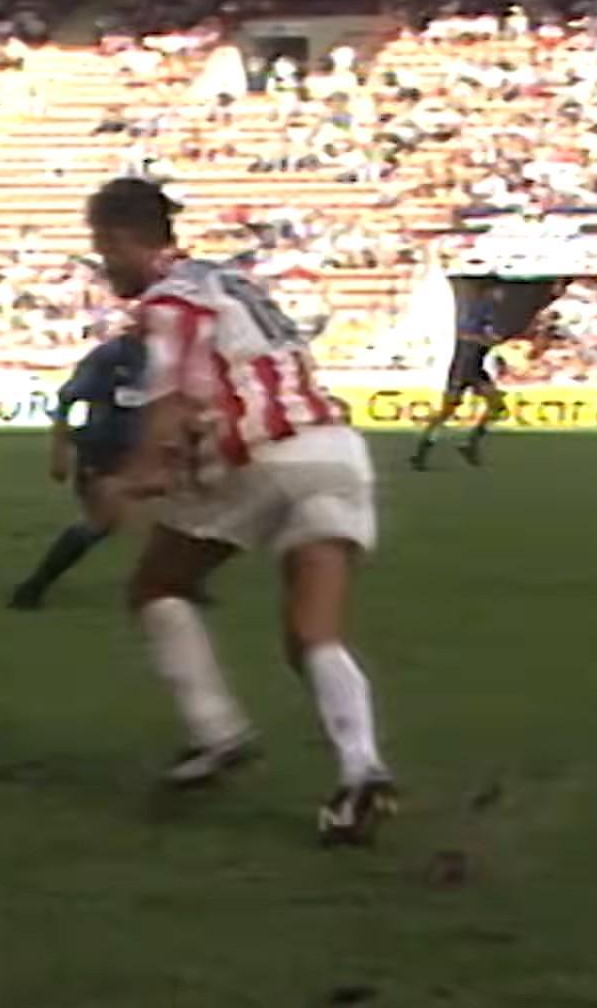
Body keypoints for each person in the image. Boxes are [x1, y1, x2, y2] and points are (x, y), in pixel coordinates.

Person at [84, 178, 396, 847]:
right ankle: (361, 768)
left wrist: (130, 479)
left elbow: (172, 401)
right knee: (314, 632)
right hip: (335, 450)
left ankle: (216, 731)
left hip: (259, 457)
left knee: (156, 585)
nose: (102, 265)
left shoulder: (170, 300)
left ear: (119, 237)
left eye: (101, 248)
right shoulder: (231, 281)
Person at [8, 332, 147, 610]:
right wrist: (58, 451)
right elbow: (67, 399)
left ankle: (173, 582)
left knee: (164, 514)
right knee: (101, 520)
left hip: (145, 452)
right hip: (103, 450)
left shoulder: (175, 353)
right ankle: (33, 587)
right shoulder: (112, 355)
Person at [410, 280, 510, 471]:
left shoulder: (492, 313)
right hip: (462, 367)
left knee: (497, 407)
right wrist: (487, 339)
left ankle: (469, 445)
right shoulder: (476, 311)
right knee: (447, 411)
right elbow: (465, 336)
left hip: (476, 368)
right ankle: (422, 451)